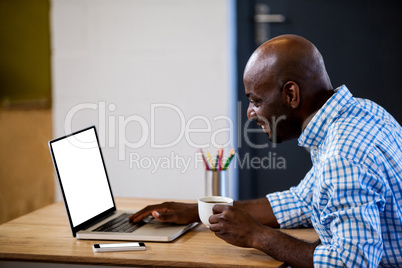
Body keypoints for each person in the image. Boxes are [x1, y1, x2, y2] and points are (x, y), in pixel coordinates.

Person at [129, 34, 402, 267]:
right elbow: (304, 200)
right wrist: (200, 212)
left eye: (256, 101)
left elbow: (350, 263)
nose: (250, 113)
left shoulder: (342, 155)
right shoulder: (363, 112)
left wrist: (257, 236)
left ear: (291, 95)